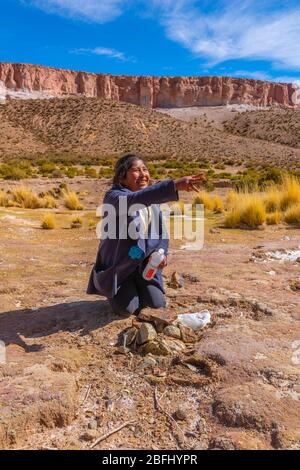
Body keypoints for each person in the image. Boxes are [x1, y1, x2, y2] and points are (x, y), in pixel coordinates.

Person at [87, 154, 205, 317]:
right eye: (136, 170)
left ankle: (139, 285)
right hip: (120, 267)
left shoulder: (151, 201)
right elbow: (135, 200)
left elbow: (161, 234)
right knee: (128, 310)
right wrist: (174, 185)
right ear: (122, 176)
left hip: (145, 266)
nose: (143, 174)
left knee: (156, 306)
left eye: (145, 169)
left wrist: (161, 253)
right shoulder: (114, 197)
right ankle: (116, 289)